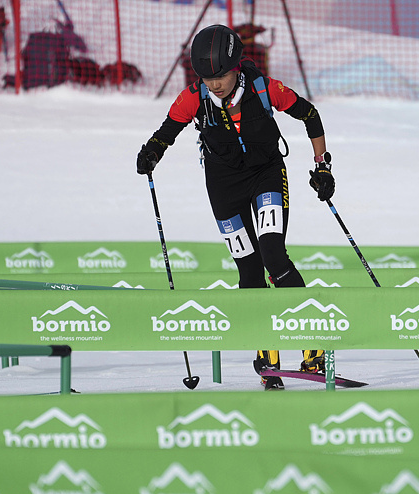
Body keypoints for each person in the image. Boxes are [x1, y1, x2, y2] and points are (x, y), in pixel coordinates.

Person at [137, 25, 333, 390]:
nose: (214, 84)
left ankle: (313, 348)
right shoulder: (192, 98)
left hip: (266, 175)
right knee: (248, 270)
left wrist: (323, 166)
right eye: (207, 78)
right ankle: (268, 356)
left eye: (221, 76)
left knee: (273, 254)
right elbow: (166, 133)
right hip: (223, 187)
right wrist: (151, 153)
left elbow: (310, 115)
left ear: (237, 67)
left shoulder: (264, 88)